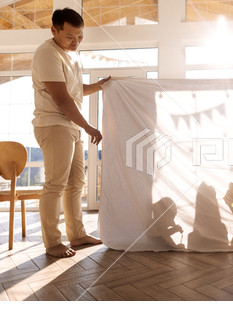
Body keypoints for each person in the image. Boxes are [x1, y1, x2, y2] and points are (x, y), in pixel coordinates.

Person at [32, 8, 111, 258]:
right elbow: (62, 99)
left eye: (80, 37)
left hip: (71, 126)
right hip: (53, 124)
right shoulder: (47, 53)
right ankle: (52, 242)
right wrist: (88, 126)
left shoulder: (72, 56)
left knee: (76, 183)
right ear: (53, 30)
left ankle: (76, 235)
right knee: (55, 184)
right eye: (70, 36)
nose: (76, 42)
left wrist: (97, 86)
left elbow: (75, 91)